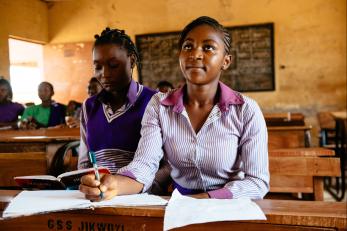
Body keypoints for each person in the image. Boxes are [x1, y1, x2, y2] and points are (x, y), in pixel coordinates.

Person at [80, 17, 269, 201]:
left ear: (225, 61)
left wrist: (202, 200)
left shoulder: (245, 110)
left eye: (208, 47)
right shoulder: (159, 106)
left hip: (229, 206)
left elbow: (257, 182)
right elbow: (145, 164)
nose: (195, 54)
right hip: (179, 208)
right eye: (188, 46)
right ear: (180, 56)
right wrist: (113, 184)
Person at [77, 28, 160, 178]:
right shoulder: (89, 107)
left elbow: (168, 166)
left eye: (113, 65)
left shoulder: (155, 101)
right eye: (98, 67)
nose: (105, 74)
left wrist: (140, 188)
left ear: (132, 60)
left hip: (141, 194)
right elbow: (84, 163)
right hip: (99, 195)